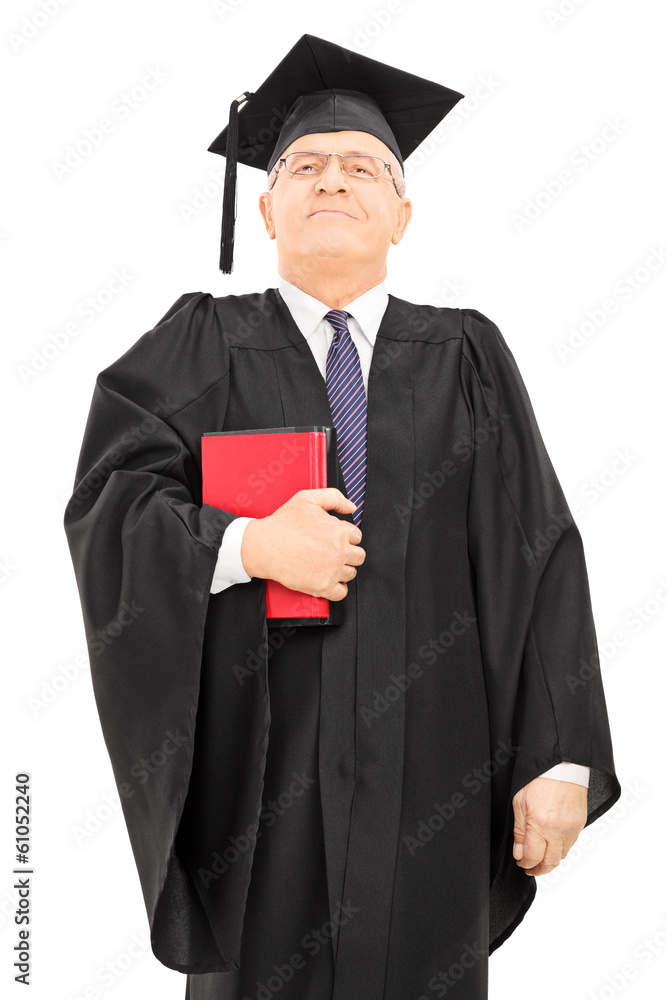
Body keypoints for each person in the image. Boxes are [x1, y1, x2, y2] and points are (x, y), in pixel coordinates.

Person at [63, 33, 621, 1000]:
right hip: (258, 761)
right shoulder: (201, 343)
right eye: (303, 165)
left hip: (434, 769)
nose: (332, 178)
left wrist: (560, 755)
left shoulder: (466, 357)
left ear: (400, 212)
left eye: (362, 166)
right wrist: (245, 544)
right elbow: (110, 503)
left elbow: (541, 551)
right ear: (266, 205)